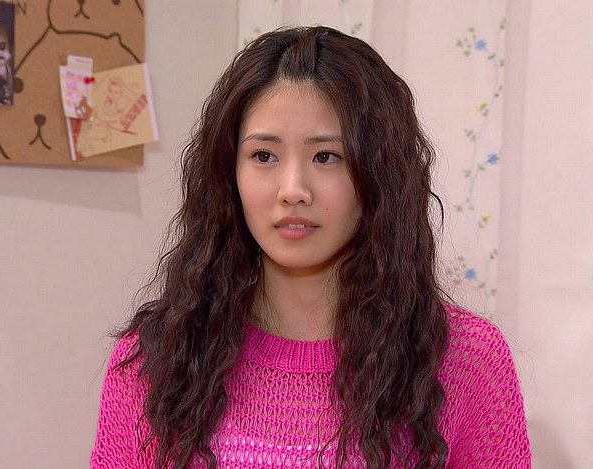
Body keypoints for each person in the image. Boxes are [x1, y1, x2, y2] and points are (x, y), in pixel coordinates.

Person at [91, 26, 531, 468]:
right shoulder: (154, 362)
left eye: (326, 157)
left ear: (379, 176)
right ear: (229, 174)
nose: (293, 190)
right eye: (264, 156)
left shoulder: (467, 362)